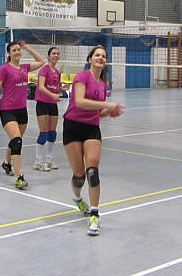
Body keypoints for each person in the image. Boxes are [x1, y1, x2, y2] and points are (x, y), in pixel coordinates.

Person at [62, 45, 124, 236]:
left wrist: (108, 113)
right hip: (72, 126)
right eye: (97, 55)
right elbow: (80, 102)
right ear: (90, 59)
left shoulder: (103, 84)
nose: (101, 58)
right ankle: (77, 197)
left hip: (91, 129)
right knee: (79, 176)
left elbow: (97, 111)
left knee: (92, 172)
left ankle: (95, 215)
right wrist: (107, 104)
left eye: (103, 56)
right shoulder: (82, 76)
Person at [0, 41, 46, 189]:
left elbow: (41, 61)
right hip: (8, 110)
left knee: (15, 141)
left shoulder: (25, 68)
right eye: (14, 50)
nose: (17, 52)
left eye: (19, 50)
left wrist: (28, 47)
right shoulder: (5, 69)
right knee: (17, 141)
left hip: (22, 111)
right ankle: (20, 177)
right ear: (9, 53)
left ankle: (7, 163)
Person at [34, 47, 69, 171]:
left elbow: (55, 88)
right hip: (42, 103)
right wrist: (53, 95)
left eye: (58, 53)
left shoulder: (58, 72)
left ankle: (49, 159)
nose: (56, 55)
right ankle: (38, 161)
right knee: (43, 133)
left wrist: (61, 89)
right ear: (49, 56)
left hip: (52, 104)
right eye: (54, 53)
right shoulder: (44, 70)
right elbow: (41, 87)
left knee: (52, 133)